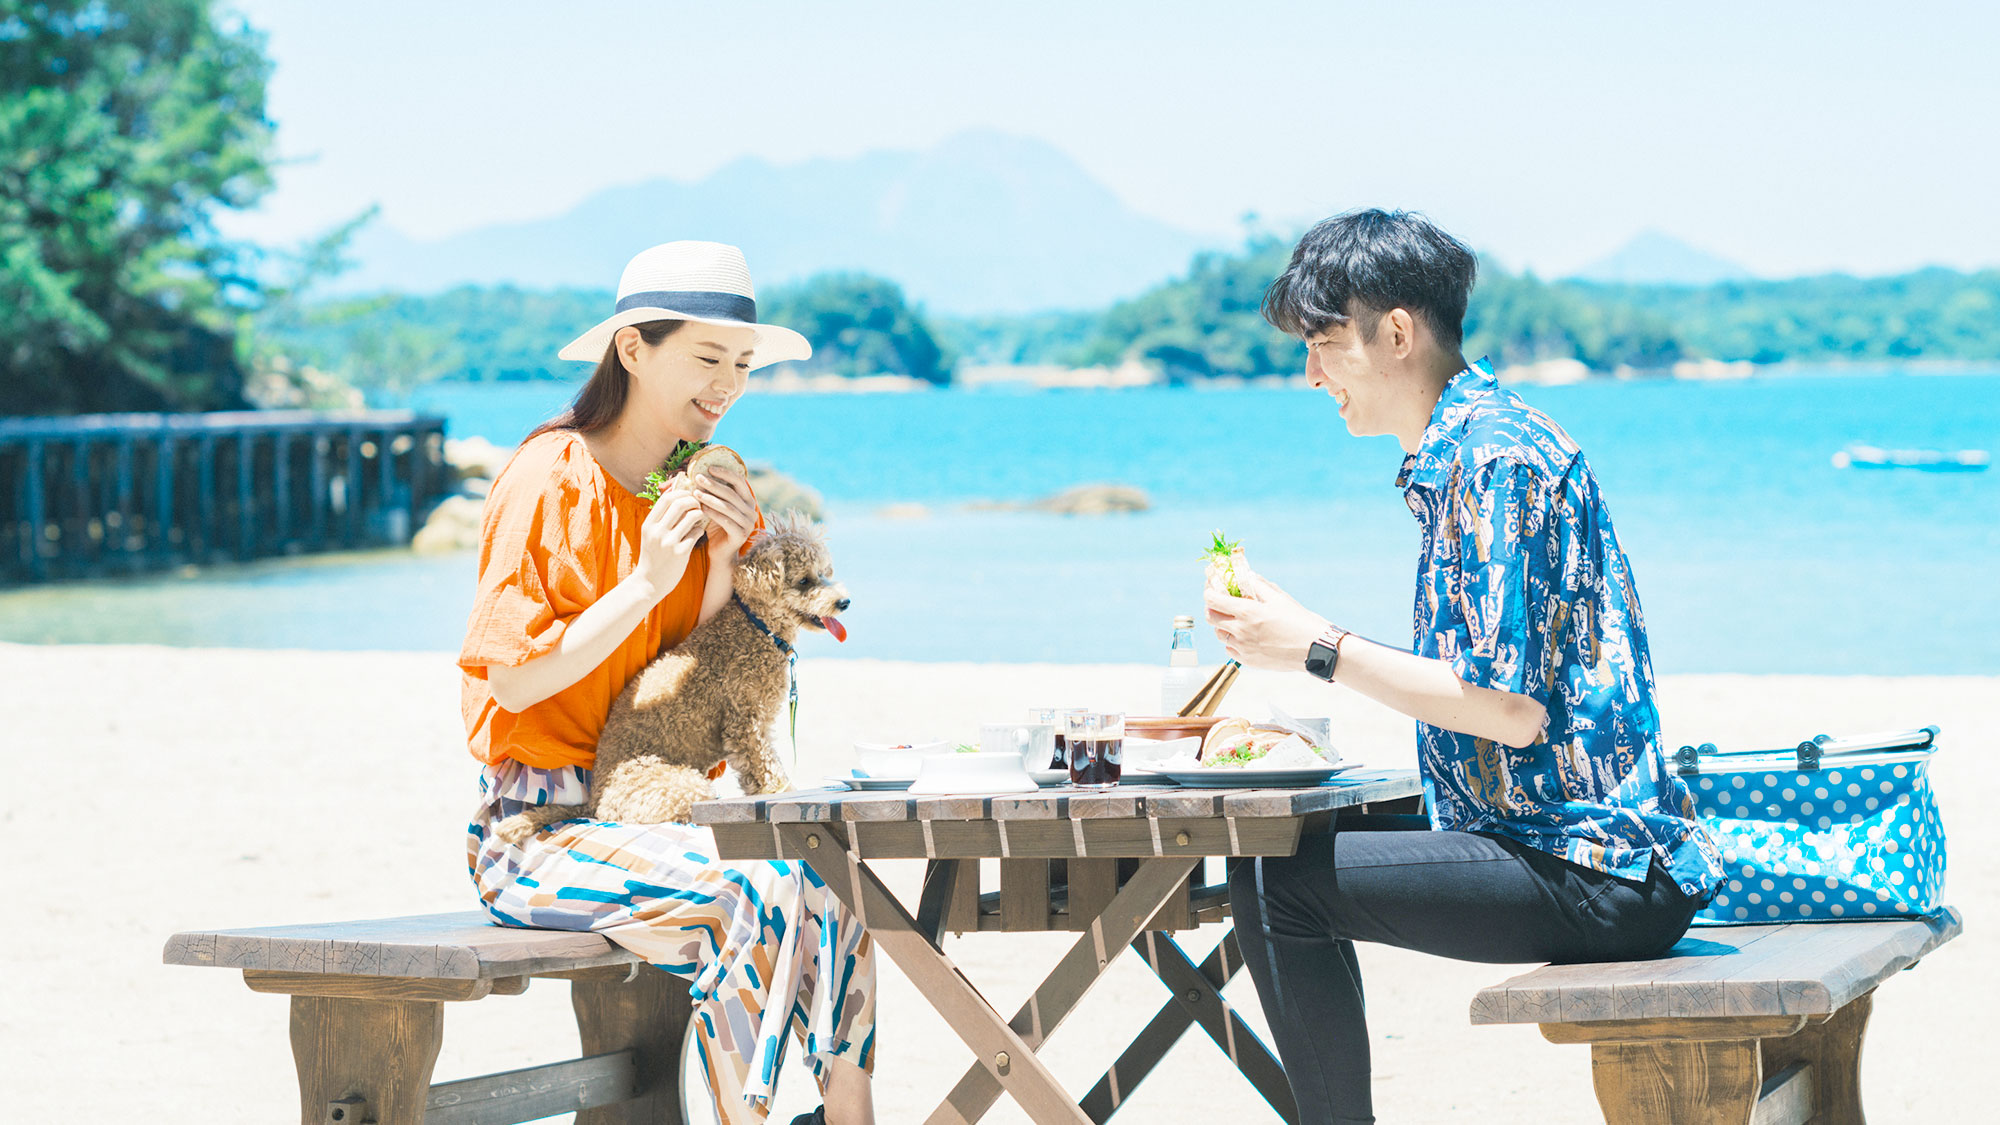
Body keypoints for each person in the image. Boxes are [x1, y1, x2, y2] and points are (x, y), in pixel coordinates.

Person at [1205, 210, 1722, 1125]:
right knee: (1279, 847)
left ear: (1395, 333)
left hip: (1595, 864)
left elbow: (1507, 711)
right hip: (1563, 833)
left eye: (1325, 344)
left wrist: (1315, 647)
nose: (1312, 374)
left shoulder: (1493, 458)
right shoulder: (1472, 447)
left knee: (1275, 880)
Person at [460, 241, 874, 1125]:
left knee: (830, 869)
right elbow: (515, 682)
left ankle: (849, 1108)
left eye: (743, 364)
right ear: (632, 350)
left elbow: (689, 670)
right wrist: (646, 579)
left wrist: (723, 561)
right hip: (539, 833)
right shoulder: (547, 478)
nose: (727, 385)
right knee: (752, 888)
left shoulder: (712, 484)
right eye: (707, 358)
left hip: (660, 812)